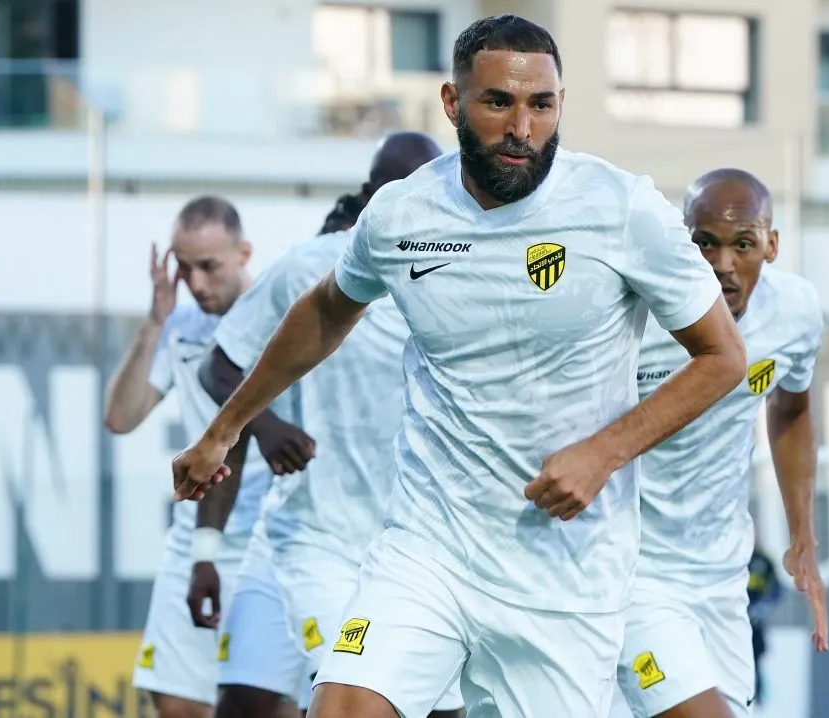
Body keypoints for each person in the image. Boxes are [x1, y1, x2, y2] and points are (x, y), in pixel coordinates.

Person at [172, 15, 747, 718]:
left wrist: (605, 451)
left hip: (565, 570)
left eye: (541, 104)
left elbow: (722, 357)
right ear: (453, 103)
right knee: (343, 704)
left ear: (562, 104)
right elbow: (326, 310)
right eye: (498, 102)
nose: (522, 127)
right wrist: (225, 429)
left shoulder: (620, 208)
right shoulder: (402, 214)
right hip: (429, 548)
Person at [188, 132, 462, 718]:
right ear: (369, 195)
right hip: (320, 538)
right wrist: (264, 427)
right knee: (337, 696)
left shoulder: (455, 274)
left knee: (437, 709)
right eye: (399, 192)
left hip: (413, 544)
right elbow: (221, 364)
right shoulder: (311, 268)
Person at [612, 168, 829, 718]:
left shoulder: (796, 313)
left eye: (744, 244)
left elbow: (791, 408)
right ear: (682, 239)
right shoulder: (632, 315)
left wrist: (803, 534)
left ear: (772, 246)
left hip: (722, 581)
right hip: (628, 573)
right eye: (704, 241)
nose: (722, 264)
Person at [104, 196, 277, 718]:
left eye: (209, 266)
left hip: (271, 543)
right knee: (176, 704)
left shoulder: (282, 318)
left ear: (243, 252)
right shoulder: (179, 325)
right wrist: (153, 323)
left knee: (263, 703)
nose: (197, 283)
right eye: (184, 268)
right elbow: (121, 417)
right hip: (194, 540)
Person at [747, 529, 784, 709]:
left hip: (755, 623)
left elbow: (777, 589)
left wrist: (763, 607)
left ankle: (760, 701)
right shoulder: (733, 557)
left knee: (756, 659)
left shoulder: (765, 561)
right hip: (732, 620)